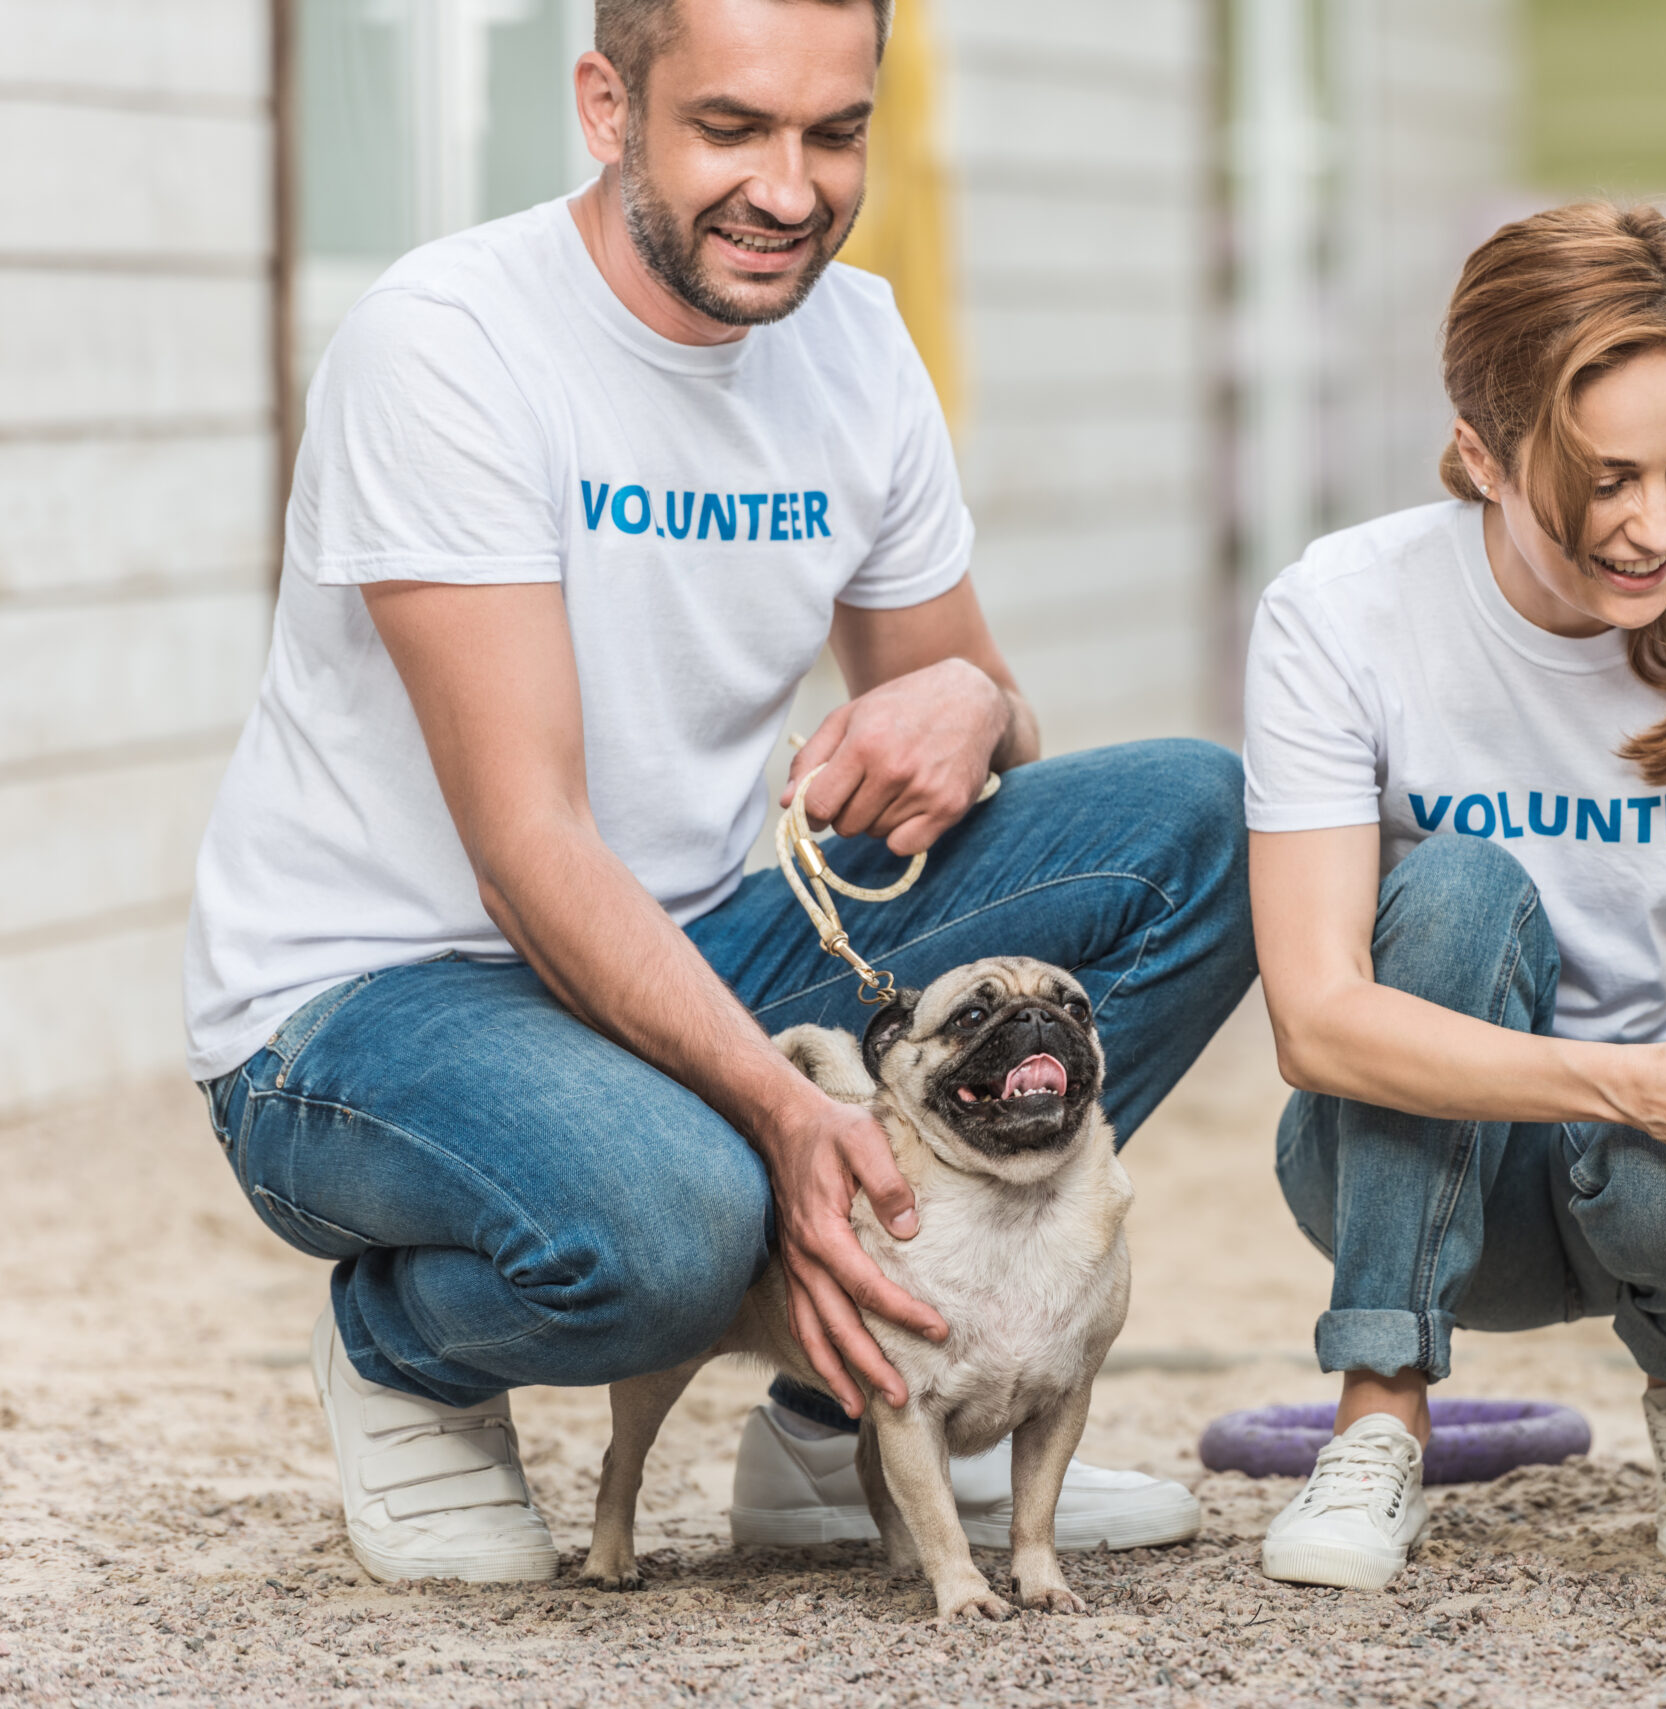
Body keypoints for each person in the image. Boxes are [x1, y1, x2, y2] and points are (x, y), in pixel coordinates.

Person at [185, 0, 1252, 1584]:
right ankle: (405, 1349)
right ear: (608, 105)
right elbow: (528, 850)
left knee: (1195, 822)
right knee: (681, 1226)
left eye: (835, 133)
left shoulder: (858, 343)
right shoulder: (449, 344)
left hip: (703, 941)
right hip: (377, 1005)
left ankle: (853, 1411)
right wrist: (784, 1116)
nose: (791, 187)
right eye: (732, 129)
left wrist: (977, 698)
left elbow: (975, 730)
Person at [1243, 203, 1666, 1591]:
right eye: (1604, 481)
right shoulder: (1341, 610)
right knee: (1460, 887)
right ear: (1482, 454)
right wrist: (1627, 1079)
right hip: (1408, 1173)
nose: (1658, 525)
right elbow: (1317, 1024)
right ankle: (1379, 1413)